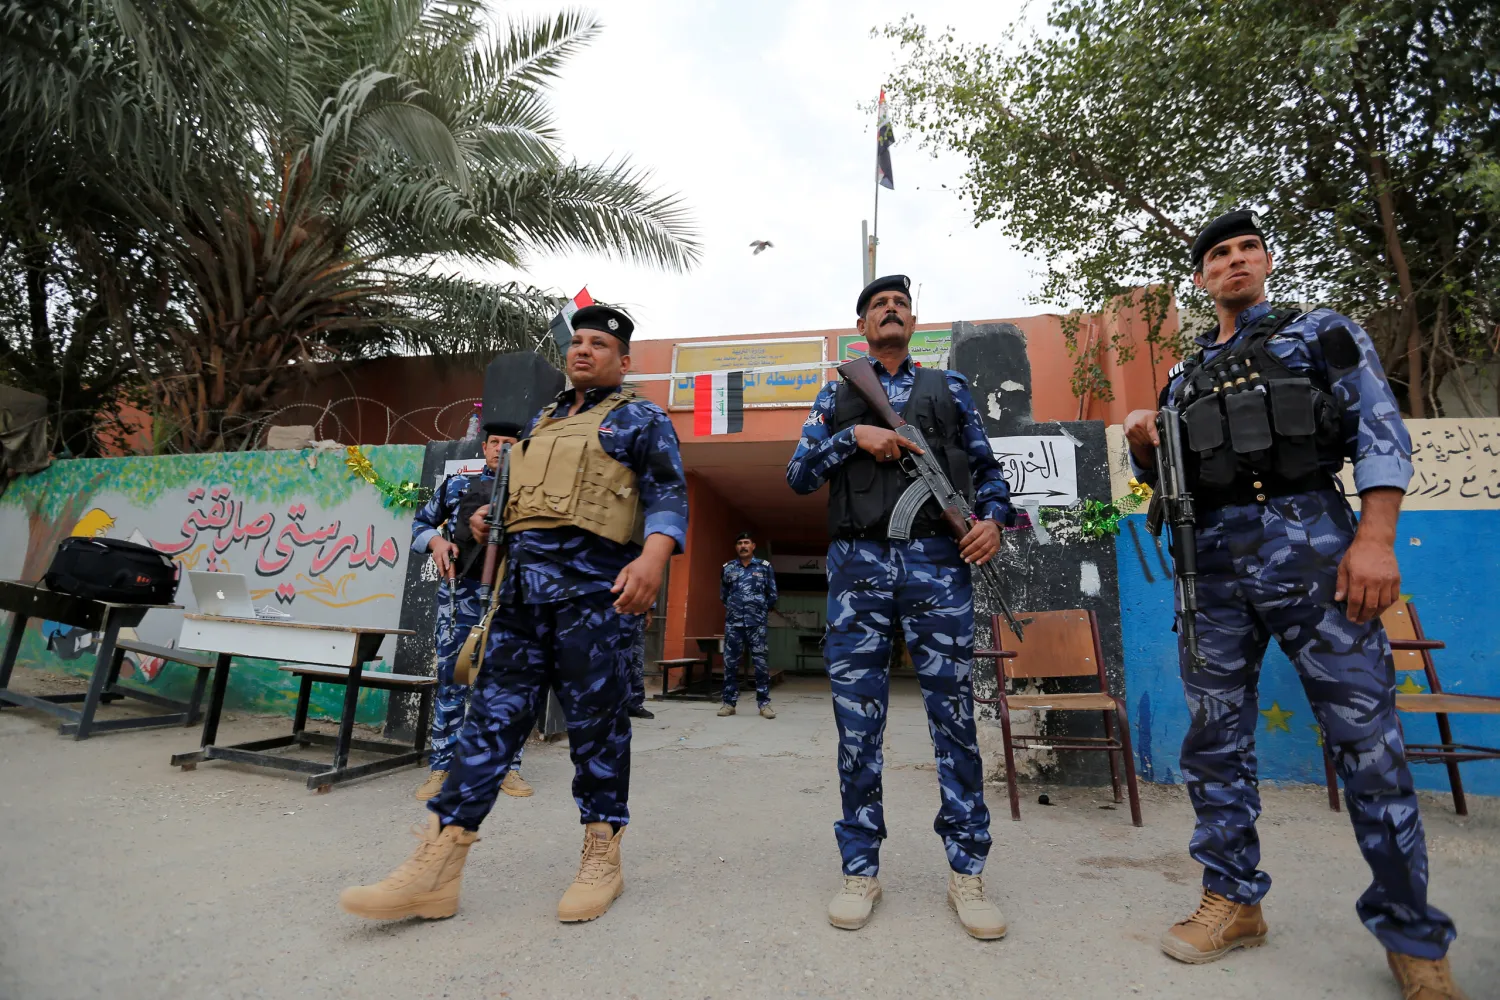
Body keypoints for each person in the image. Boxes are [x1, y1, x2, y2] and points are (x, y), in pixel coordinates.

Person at [1124, 210, 1464, 999]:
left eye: (1246, 249)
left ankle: (1412, 933)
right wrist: (1146, 441)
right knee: (1213, 742)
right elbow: (1167, 483)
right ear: (1202, 278)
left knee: (1366, 742)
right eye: (1217, 256)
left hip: (1316, 555)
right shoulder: (1183, 375)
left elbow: (1379, 430)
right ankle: (1233, 900)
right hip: (1209, 571)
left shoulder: (1319, 332)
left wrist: (1375, 538)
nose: (1233, 261)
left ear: (1266, 261)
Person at [341, 303, 688, 926]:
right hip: (519, 600)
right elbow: (517, 501)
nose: (583, 350)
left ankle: (603, 854)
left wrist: (655, 559)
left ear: (624, 360)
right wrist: (482, 521)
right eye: (577, 341)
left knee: (598, 731)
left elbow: (667, 494)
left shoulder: (641, 419)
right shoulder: (540, 420)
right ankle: (438, 864)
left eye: (599, 344)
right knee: (488, 726)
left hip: (594, 600)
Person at [786, 274, 1015, 940]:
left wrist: (993, 522)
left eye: (901, 304)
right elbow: (799, 475)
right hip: (858, 570)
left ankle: (967, 871)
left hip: (939, 568)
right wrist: (850, 439)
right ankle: (860, 867)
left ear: (915, 322)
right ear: (862, 327)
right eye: (878, 305)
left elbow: (990, 473)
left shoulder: (950, 391)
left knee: (953, 724)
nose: (891, 310)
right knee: (859, 730)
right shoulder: (835, 395)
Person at [409, 433, 531, 802]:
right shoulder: (459, 485)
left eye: (509, 441)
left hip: (510, 600)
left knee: (509, 685)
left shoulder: (531, 490)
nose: (500, 448)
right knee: (451, 679)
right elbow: (421, 523)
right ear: (484, 447)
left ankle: (507, 766)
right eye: (494, 441)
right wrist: (437, 543)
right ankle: (442, 766)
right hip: (458, 597)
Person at [716, 531, 778, 719]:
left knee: (760, 664)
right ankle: (728, 703)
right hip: (734, 624)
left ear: (753, 546)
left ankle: (764, 705)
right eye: (740, 543)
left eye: (746, 542)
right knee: (730, 664)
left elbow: (772, 594)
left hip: (756, 624)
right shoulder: (728, 568)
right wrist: (736, 610)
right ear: (736, 547)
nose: (743, 546)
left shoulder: (764, 567)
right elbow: (723, 596)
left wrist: (758, 611)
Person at [625, 603, 655, 720]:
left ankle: (634, 703)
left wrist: (649, 611)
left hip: (635, 612)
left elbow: (646, 584)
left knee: (636, 659)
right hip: (605, 608)